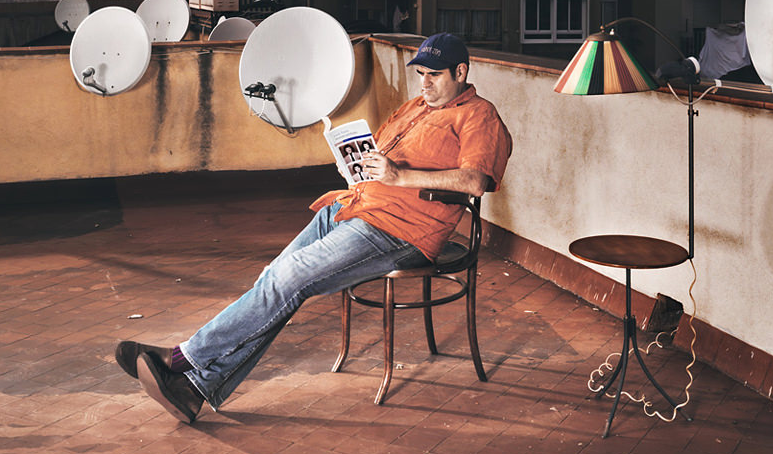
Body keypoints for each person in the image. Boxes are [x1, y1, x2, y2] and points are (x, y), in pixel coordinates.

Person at [115, 32, 513, 423]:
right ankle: (193, 390)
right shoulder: (414, 108)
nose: (424, 83)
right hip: (354, 206)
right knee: (273, 280)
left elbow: (475, 181)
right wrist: (354, 164)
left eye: (434, 75)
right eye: (421, 74)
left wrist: (399, 177)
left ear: (460, 72)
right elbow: (377, 156)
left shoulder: (479, 116)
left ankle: (185, 357)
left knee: (287, 277)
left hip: (400, 230)